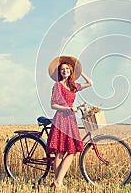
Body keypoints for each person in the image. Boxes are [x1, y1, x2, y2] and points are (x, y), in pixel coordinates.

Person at [46, 56, 92, 190]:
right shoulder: (57, 86)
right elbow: (53, 105)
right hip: (60, 119)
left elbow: (90, 83)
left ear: (71, 71)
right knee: (60, 152)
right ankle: (58, 182)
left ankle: (57, 181)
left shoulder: (73, 86)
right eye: (62, 69)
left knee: (72, 151)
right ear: (59, 73)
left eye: (67, 69)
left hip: (71, 120)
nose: (64, 71)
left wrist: (80, 71)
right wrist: (68, 108)